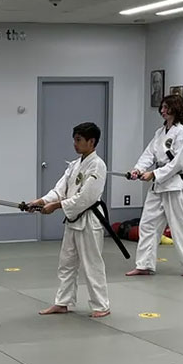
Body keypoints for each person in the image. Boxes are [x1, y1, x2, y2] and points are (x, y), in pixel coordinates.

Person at [33, 122, 111, 318]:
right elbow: (59, 190)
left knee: (92, 264)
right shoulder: (74, 165)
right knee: (66, 263)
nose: (75, 144)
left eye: (79, 140)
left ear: (91, 142)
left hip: (90, 220)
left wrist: (56, 206)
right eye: (74, 140)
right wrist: (41, 201)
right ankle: (63, 302)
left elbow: (86, 197)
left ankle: (101, 305)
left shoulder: (98, 165)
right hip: (73, 220)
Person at [125, 94, 183, 277]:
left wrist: (154, 174)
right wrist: (138, 169)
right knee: (147, 224)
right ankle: (144, 264)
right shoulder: (160, 133)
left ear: (176, 109)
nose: (162, 111)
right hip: (158, 186)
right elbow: (149, 154)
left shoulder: (182, 133)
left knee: (179, 226)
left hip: (174, 185)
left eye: (166, 107)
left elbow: (178, 163)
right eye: (162, 107)